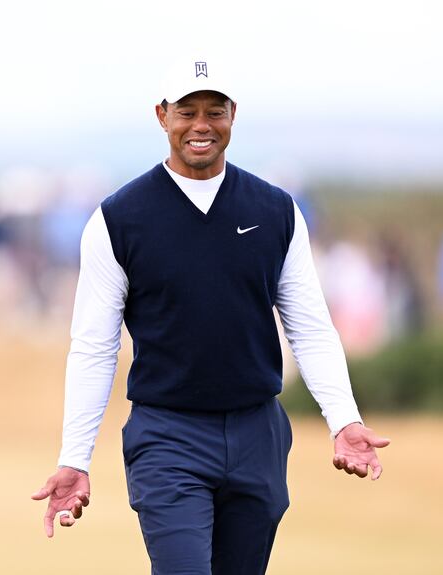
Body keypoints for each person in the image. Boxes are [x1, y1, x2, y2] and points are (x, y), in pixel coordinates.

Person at [32, 59, 390, 574]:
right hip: (167, 437)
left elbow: (309, 327)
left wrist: (344, 419)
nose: (202, 125)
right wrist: (75, 457)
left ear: (233, 115)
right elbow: (94, 347)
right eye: (187, 111)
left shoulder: (276, 212)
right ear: (162, 116)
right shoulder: (118, 220)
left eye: (214, 111)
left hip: (257, 433)